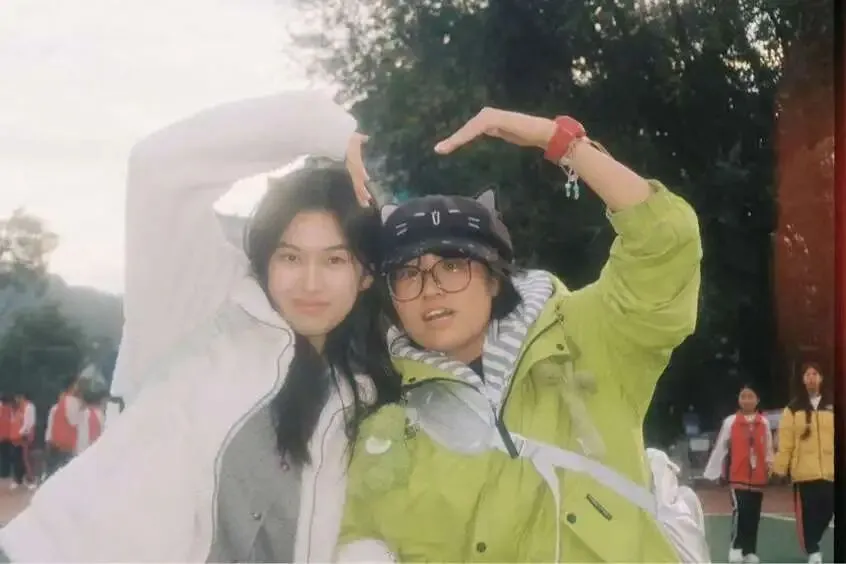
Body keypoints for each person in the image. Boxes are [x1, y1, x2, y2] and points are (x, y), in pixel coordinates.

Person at [0, 91, 399, 562]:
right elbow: (157, 169)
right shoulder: (202, 305)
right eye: (290, 257)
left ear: (366, 274)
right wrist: (325, 130)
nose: (310, 282)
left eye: (335, 260)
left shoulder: (364, 393)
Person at [337, 108, 705, 562]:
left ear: (494, 278)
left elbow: (666, 245)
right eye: (408, 273)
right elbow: (356, 532)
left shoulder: (587, 338)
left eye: (452, 265)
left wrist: (561, 141)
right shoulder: (381, 419)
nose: (430, 288)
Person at [703, 385, 773, 564]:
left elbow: (768, 448)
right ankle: (736, 547)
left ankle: (750, 551)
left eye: (751, 396)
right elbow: (721, 447)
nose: (747, 400)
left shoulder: (764, 423)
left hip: (758, 477)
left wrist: (770, 466)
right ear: (739, 400)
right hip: (737, 476)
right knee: (740, 511)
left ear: (757, 400)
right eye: (743, 396)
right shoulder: (730, 422)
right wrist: (713, 472)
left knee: (753, 515)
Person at [772, 362, 834, 564]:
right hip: (804, 473)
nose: (811, 378)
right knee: (809, 514)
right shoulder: (793, 409)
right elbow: (786, 443)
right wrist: (780, 469)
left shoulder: (832, 405)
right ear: (802, 380)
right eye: (807, 374)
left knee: (828, 509)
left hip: (830, 471)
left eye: (815, 374)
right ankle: (813, 550)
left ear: (821, 378)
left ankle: (814, 540)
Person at [8, 394, 36, 491]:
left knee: (26, 459)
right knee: (17, 459)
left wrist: (20, 433)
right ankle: (18, 480)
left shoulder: (28, 407)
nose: (16, 400)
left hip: (24, 438)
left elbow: (28, 424)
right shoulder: (16, 409)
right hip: (15, 439)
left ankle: (31, 480)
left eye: (18, 398)